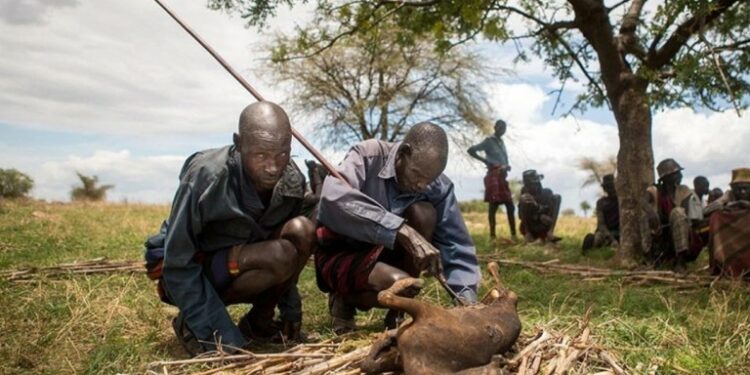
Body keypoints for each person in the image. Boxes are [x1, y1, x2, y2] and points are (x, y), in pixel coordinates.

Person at [143, 101, 315, 355]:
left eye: (282, 154)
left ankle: (259, 321)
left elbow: (292, 257)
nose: (273, 167)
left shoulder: (291, 180)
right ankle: (194, 321)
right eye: (261, 156)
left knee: (303, 230)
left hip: (250, 267)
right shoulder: (205, 176)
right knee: (276, 255)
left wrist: (290, 309)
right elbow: (178, 263)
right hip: (197, 272)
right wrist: (221, 335)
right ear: (239, 143)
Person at [315, 122, 480, 333]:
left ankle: (398, 313)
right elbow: (333, 199)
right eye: (416, 174)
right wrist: (400, 230)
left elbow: (455, 244)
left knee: (424, 214)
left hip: (385, 257)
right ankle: (343, 299)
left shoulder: (438, 186)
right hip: (343, 254)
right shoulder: (367, 155)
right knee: (397, 282)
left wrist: (466, 300)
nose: (422, 185)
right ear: (403, 152)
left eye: (429, 180)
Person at [646, 158, 703, 273]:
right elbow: (643, 201)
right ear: (665, 178)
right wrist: (651, 213)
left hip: (682, 233)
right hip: (661, 234)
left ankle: (680, 261)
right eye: (675, 174)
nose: (680, 175)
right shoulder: (655, 190)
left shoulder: (684, 190)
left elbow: (687, 214)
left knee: (677, 212)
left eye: (679, 173)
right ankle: (653, 257)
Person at [467, 119, 516, 241]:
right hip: (493, 176)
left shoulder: (501, 142)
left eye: (504, 128)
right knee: (493, 206)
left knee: (510, 205)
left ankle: (514, 235)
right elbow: (471, 150)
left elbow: (504, 159)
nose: (502, 130)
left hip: (503, 176)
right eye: (500, 127)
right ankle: (492, 236)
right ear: (495, 127)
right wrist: (486, 161)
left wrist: (506, 166)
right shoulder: (489, 141)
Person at [705, 168, 750, 277]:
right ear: (732, 188)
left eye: (746, 188)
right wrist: (729, 204)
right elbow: (707, 210)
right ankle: (724, 266)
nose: (742, 192)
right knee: (716, 217)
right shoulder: (728, 195)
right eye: (739, 189)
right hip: (731, 231)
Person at [518, 170, 562, 244]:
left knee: (557, 197)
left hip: (543, 226)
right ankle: (529, 235)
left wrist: (537, 207)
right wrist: (538, 216)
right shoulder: (525, 193)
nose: (533, 186)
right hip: (530, 226)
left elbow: (548, 210)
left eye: (535, 183)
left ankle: (550, 233)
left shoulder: (546, 192)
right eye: (529, 184)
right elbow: (520, 215)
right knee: (524, 199)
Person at [582, 174, 619, 252]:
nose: (611, 189)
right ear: (605, 189)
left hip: (619, 233)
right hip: (605, 233)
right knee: (594, 238)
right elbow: (601, 224)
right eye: (608, 187)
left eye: (612, 186)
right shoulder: (601, 202)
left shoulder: (622, 201)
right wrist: (611, 239)